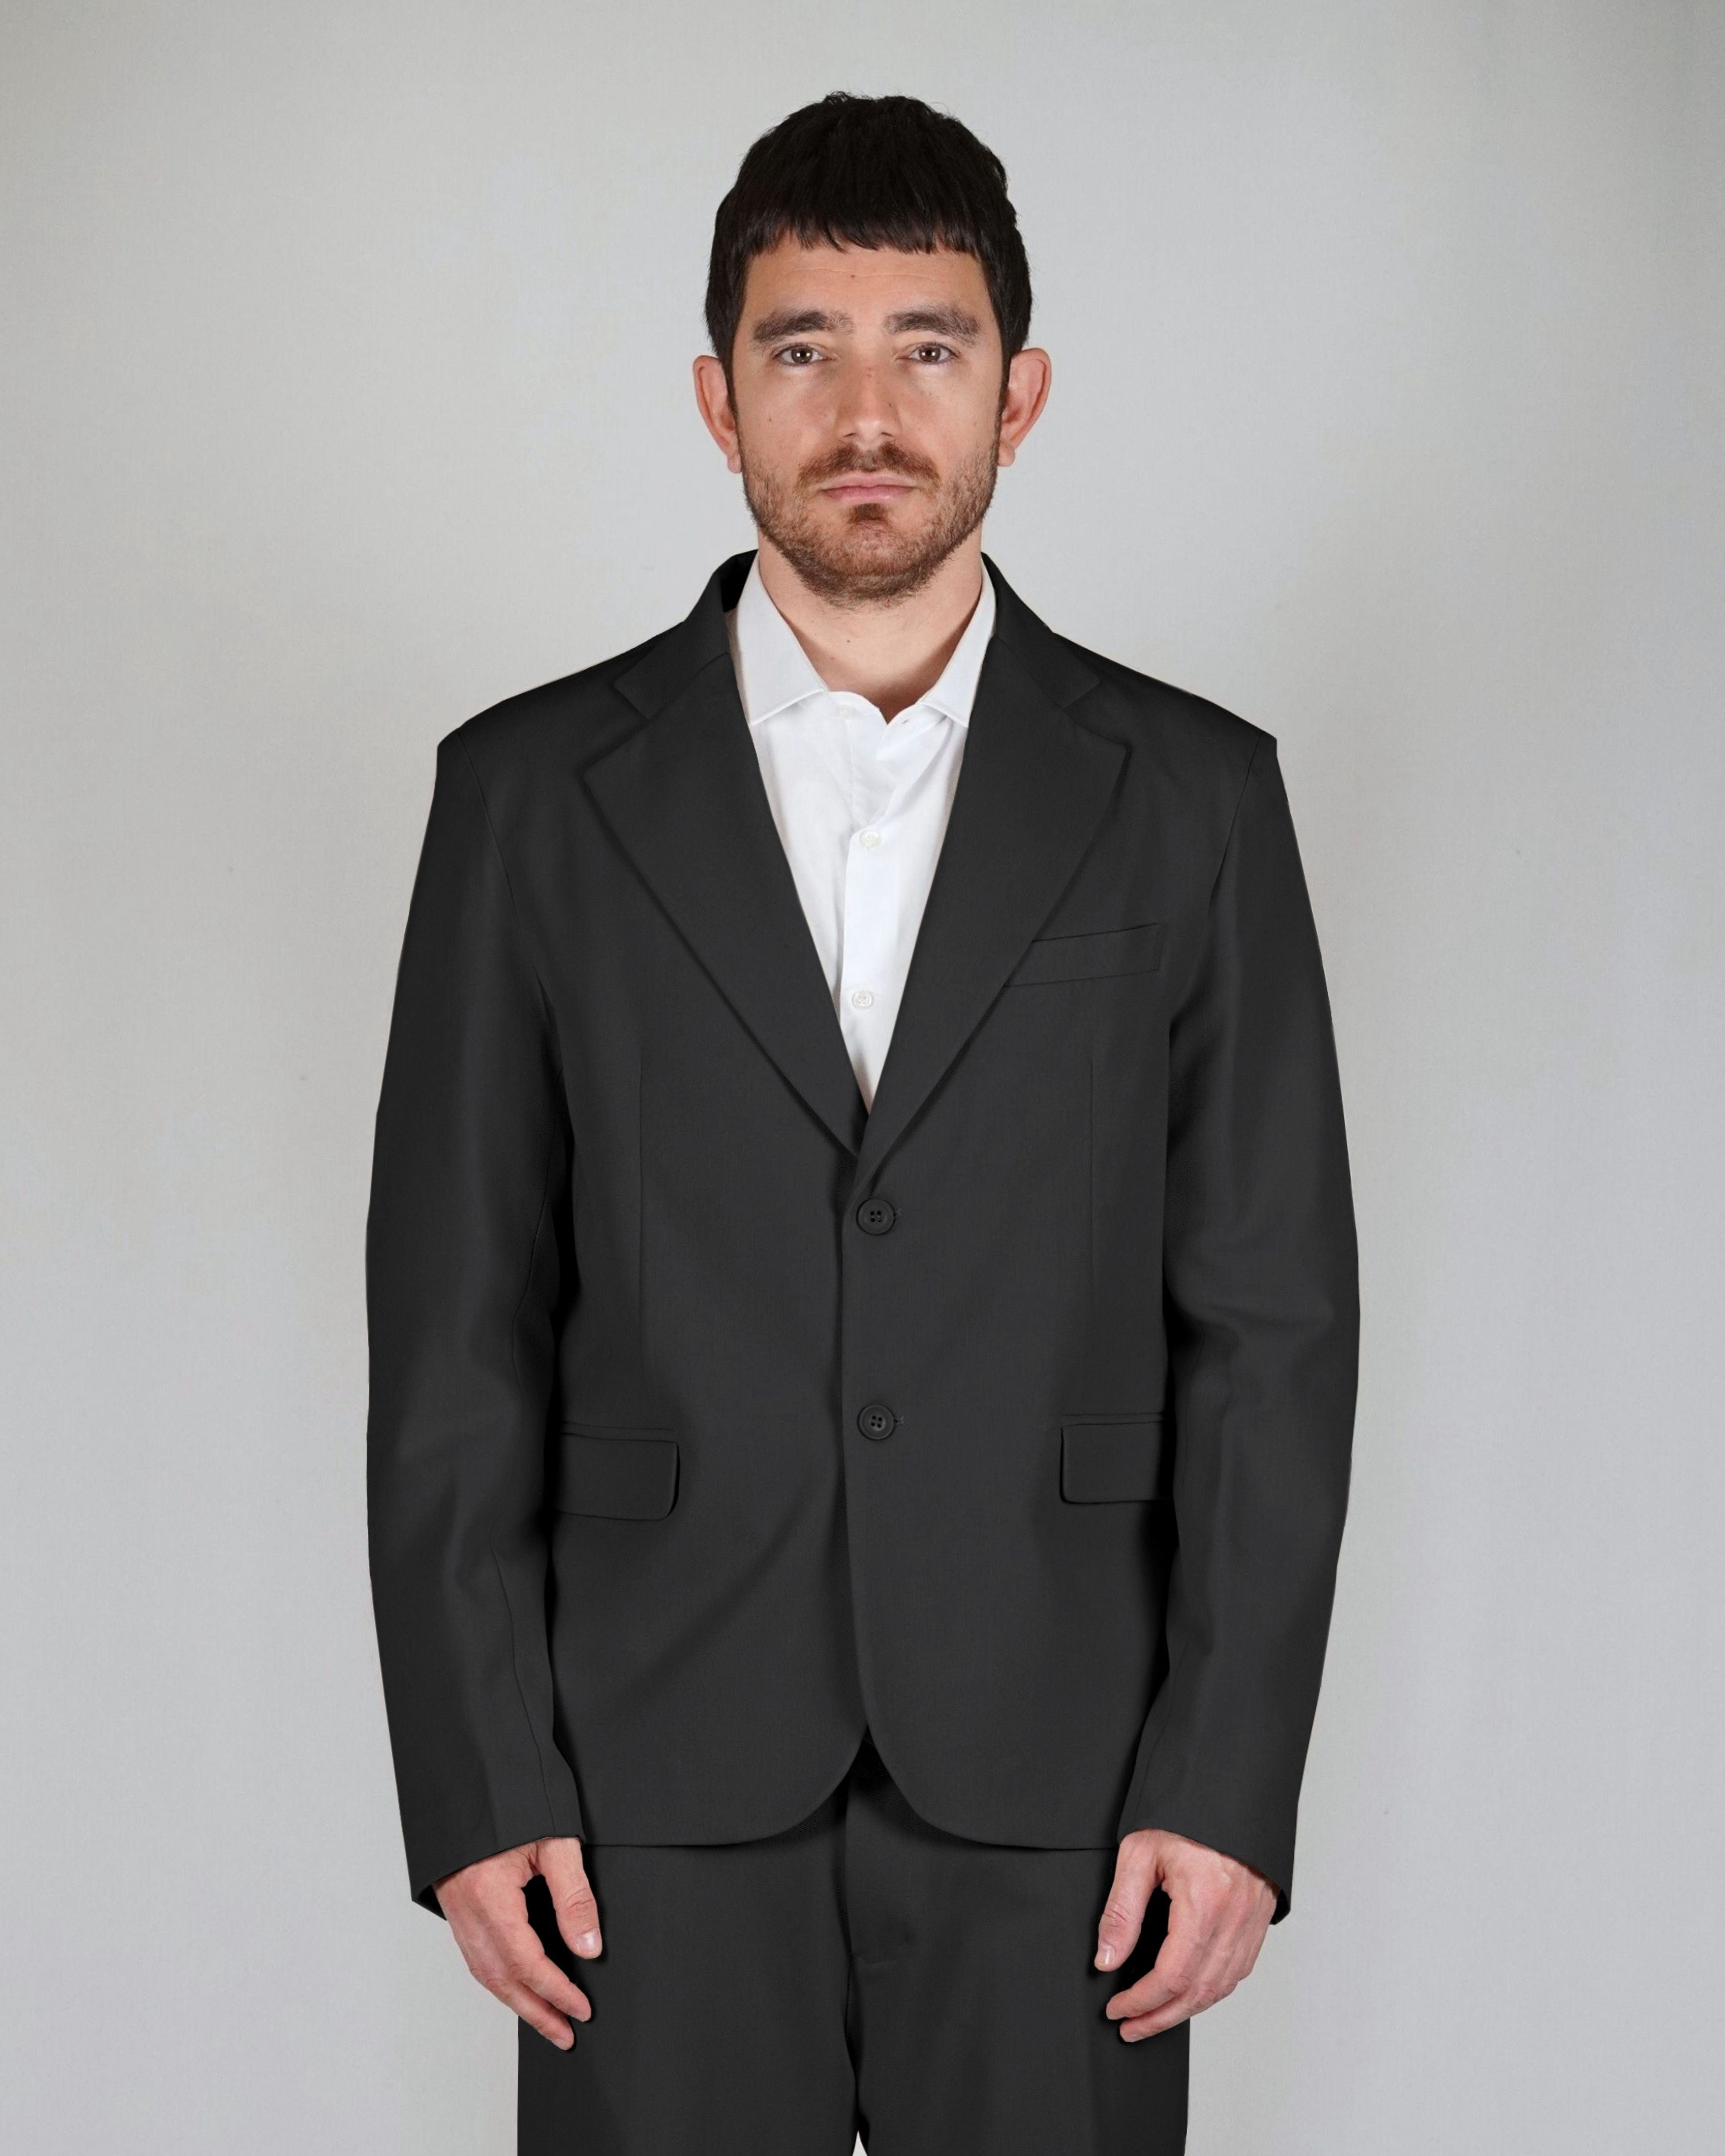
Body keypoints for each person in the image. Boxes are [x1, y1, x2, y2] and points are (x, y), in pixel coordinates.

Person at [366, 90, 1358, 2156]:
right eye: (803, 348)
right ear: (717, 398)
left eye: (930, 345)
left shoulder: (1192, 800)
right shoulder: (527, 799)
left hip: (1071, 1780)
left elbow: (1271, 1326)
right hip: (640, 1783)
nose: (869, 413)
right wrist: (477, 1777)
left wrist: (1226, 1778)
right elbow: (456, 1323)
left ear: (1021, 392)